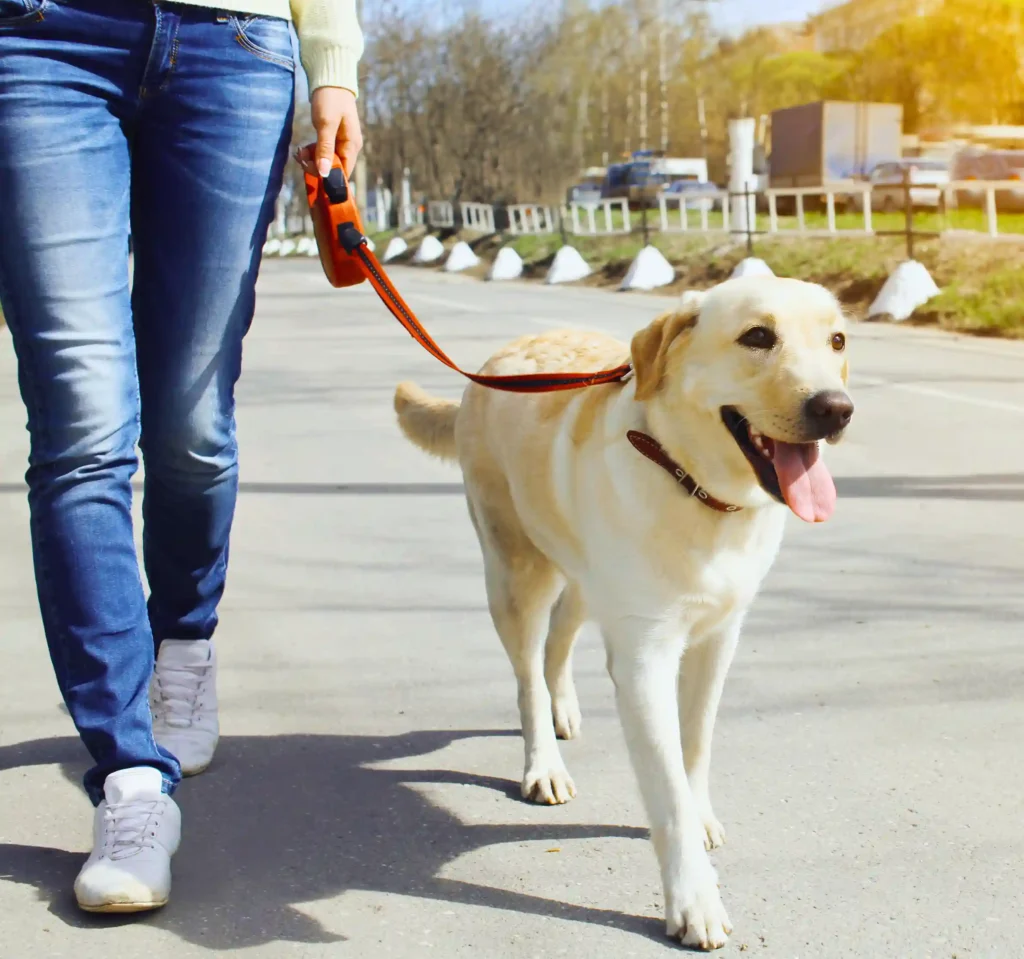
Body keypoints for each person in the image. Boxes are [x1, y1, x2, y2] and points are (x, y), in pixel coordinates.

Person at [0, 0, 363, 913]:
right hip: (38, 38)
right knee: (83, 423)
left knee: (192, 422)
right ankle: (129, 778)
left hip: (233, 44)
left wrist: (333, 65)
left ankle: (185, 640)